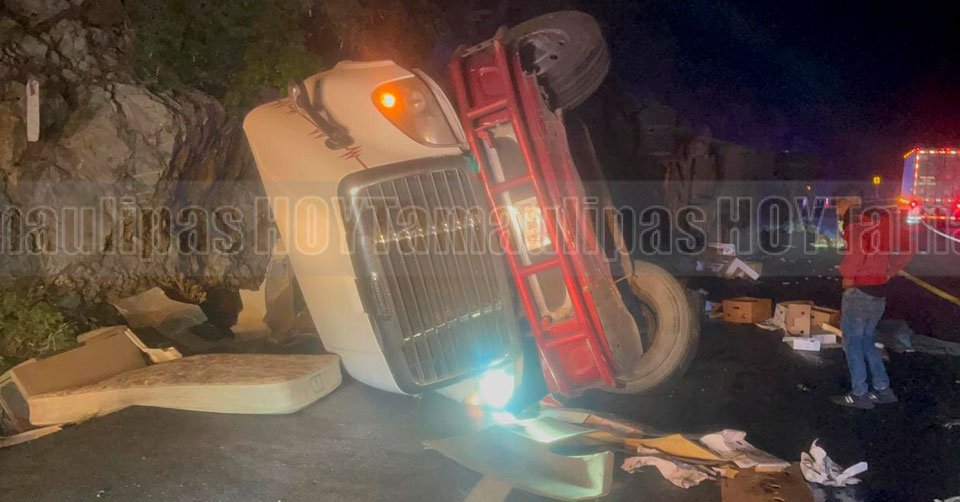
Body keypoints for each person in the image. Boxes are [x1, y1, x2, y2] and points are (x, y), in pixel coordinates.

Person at [832, 208, 914, 409]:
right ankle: (882, 389)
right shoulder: (886, 227)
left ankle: (859, 394)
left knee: (852, 343)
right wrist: (889, 271)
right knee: (868, 340)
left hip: (859, 292)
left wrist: (847, 274)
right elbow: (909, 248)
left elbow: (856, 254)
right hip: (879, 293)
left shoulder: (857, 227)